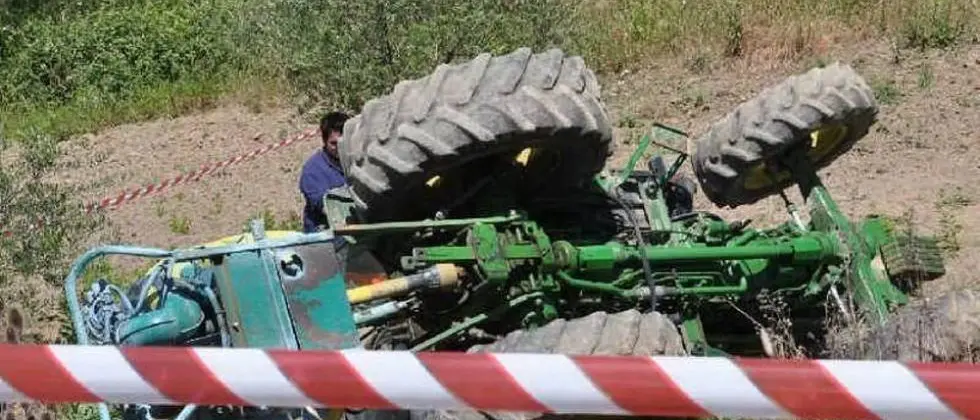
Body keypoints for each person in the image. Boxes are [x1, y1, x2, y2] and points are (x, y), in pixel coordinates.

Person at [299, 111, 350, 233]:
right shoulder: (312, 171)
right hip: (324, 233)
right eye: (334, 143)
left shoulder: (359, 162)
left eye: (343, 142)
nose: (339, 147)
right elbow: (325, 207)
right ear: (324, 141)